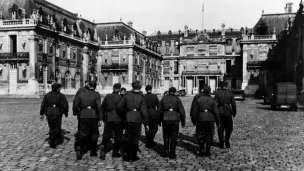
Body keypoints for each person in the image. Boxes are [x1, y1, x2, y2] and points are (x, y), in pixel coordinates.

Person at [118, 83, 149, 162]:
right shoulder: (141, 98)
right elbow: (144, 112)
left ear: (132, 87)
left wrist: (125, 113)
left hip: (128, 118)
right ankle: (133, 155)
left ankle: (128, 155)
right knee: (135, 138)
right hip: (137, 119)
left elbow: (119, 107)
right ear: (140, 88)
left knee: (128, 137)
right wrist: (146, 124)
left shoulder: (126, 96)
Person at [73, 81, 102, 160]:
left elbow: (76, 105)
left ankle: (80, 148)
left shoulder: (82, 94)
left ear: (88, 86)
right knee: (94, 133)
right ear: (95, 87)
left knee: (82, 133)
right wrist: (100, 119)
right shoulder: (96, 95)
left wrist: (79, 113)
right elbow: (99, 107)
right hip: (93, 116)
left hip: (83, 115)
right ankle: (93, 151)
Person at [190, 86, 220, 157]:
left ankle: (201, 149)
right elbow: (216, 112)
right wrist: (218, 122)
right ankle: (208, 151)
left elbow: (194, 111)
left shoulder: (199, 100)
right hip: (210, 119)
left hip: (201, 118)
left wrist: (194, 120)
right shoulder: (212, 100)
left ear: (203, 91)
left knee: (200, 134)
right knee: (209, 135)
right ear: (209, 92)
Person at [159, 87, 185, 159]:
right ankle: (172, 153)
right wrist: (183, 121)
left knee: (166, 135)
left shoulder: (164, 98)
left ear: (169, 91)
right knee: (174, 136)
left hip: (166, 118)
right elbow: (182, 111)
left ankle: (166, 151)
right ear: (175, 92)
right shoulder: (177, 99)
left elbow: (159, 110)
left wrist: (159, 121)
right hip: (175, 118)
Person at [40, 83, 69, 148]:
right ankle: (55, 140)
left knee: (51, 126)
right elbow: (65, 105)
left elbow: (43, 105)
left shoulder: (47, 95)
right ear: (58, 88)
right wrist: (65, 112)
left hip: (49, 112)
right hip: (57, 112)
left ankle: (51, 139)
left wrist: (42, 113)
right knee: (57, 126)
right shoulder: (61, 96)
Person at [99, 83, 124, 160]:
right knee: (118, 136)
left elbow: (102, 108)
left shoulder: (107, 97)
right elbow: (123, 109)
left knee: (107, 134)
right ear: (119, 89)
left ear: (113, 88)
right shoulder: (121, 98)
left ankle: (103, 147)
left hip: (109, 118)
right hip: (118, 119)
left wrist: (103, 118)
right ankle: (115, 153)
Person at [215, 81, 237, 149]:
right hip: (228, 112)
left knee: (220, 128)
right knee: (229, 128)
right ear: (226, 87)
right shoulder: (230, 94)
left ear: (221, 87)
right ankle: (227, 140)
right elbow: (233, 105)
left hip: (220, 112)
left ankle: (221, 142)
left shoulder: (217, 94)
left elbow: (215, 104)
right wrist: (234, 112)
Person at [73, 80, 89, 151]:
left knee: (82, 129)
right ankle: (81, 144)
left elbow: (75, 102)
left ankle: (80, 144)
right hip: (83, 113)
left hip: (83, 113)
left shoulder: (81, 91)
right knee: (82, 129)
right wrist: (76, 112)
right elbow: (75, 102)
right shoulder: (80, 91)